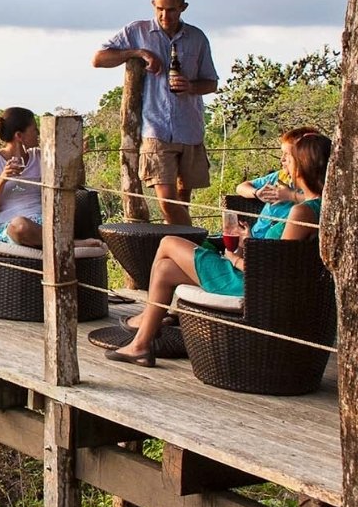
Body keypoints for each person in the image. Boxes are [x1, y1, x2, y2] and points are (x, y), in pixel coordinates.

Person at [103, 128, 331, 367]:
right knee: (164, 268)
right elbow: (277, 255)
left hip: (249, 284)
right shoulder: (321, 206)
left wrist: (233, 258)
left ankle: (149, 323)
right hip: (250, 274)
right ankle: (141, 344)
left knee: (168, 242)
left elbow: (274, 270)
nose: (284, 164)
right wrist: (247, 241)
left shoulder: (302, 211)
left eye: (290, 159)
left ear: (304, 165)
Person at [92, 0, 218, 224]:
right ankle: (199, 248)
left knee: (182, 201)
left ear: (183, 7)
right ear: (153, 5)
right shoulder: (137, 31)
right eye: (159, 8)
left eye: (171, 9)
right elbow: (98, 59)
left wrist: (191, 86)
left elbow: (211, 83)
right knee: (168, 203)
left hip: (189, 128)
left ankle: (179, 252)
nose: (164, 15)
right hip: (155, 129)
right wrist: (137, 53)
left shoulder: (197, 37)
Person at [0, 106, 102, 248]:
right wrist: (2, 180)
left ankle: (55, 242)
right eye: (34, 129)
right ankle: (72, 245)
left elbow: (77, 183)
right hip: (12, 227)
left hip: (44, 224)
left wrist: (77, 157)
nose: (38, 133)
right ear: (19, 136)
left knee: (66, 215)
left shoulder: (39, 156)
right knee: (20, 226)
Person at [236, 128, 305, 238]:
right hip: (252, 236)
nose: (282, 159)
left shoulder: (309, 184)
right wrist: (257, 193)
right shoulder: (279, 176)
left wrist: (290, 195)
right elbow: (241, 187)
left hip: (265, 245)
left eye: (287, 154)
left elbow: (319, 203)